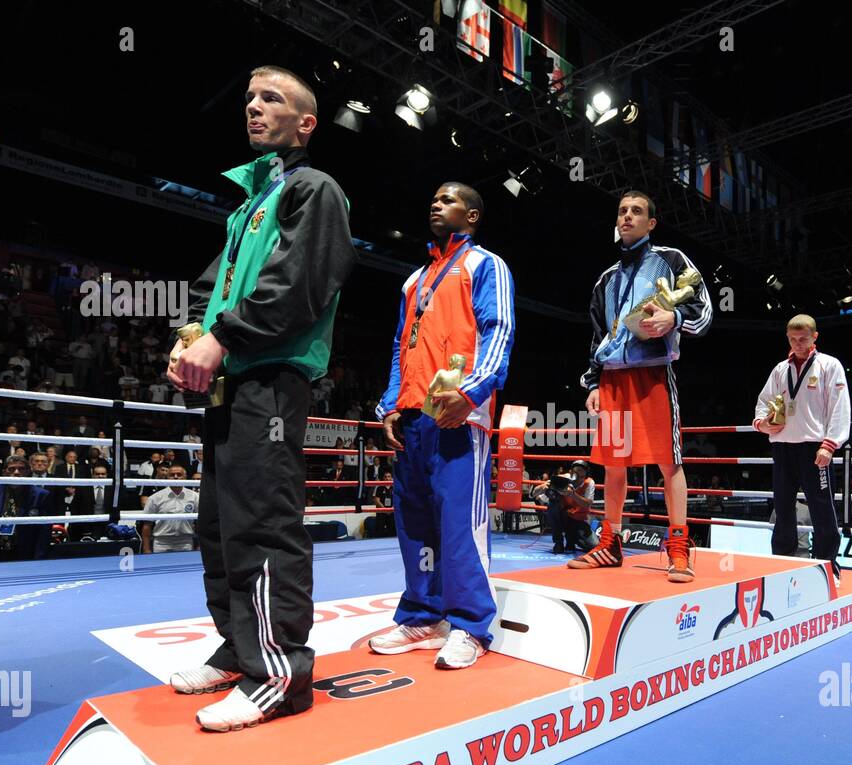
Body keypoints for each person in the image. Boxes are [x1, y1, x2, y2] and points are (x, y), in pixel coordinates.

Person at [164, 65, 358, 730]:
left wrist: (221, 338)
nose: (253, 106)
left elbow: (299, 286)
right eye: (248, 97)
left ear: (305, 122)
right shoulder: (247, 205)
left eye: (271, 98)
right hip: (229, 380)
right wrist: (188, 337)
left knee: (264, 523)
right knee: (218, 526)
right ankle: (238, 648)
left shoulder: (315, 190)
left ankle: (278, 671)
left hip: (271, 378)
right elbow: (209, 287)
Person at [370, 181, 515, 670]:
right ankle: (423, 615)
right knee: (415, 524)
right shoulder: (414, 280)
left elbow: (499, 331)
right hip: (414, 417)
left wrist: (472, 392)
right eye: (433, 197)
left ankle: (471, 625)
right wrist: (390, 403)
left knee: (459, 524)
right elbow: (400, 346)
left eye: (449, 199)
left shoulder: (485, 264)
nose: (436, 203)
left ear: (472, 216)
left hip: (458, 416)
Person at [570, 190, 712, 581]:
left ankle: (679, 544)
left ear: (651, 223)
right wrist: (593, 383)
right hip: (613, 379)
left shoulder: (671, 260)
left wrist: (674, 318)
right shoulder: (606, 280)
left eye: (637, 211)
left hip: (653, 375)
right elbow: (597, 336)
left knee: (669, 461)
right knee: (613, 465)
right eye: (622, 211)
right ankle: (611, 542)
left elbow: (703, 309)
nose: (627, 216)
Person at [752, 314, 849, 575]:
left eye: (803, 339)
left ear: (814, 336)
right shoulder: (780, 370)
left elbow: (840, 407)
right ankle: (783, 560)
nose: (797, 343)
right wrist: (762, 424)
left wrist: (829, 445)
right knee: (782, 506)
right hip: (783, 446)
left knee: (821, 507)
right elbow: (763, 402)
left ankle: (827, 563)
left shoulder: (829, 365)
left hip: (814, 446)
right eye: (793, 339)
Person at [0, 455, 52, 563]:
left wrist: (39, 558)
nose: (16, 472)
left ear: (27, 472)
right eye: (11, 469)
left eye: (21, 469)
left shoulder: (41, 495)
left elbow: (44, 532)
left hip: (24, 554)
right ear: (4, 472)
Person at [141, 465, 200, 553]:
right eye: (172, 475)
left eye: (179, 474)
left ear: (185, 477)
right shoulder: (155, 498)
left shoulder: (195, 497)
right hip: (161, 543)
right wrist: (146, 549)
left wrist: (200, 545)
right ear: (167, 477)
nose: (175, 477)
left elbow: (200, 523)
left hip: (185, 542)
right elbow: (147, 525)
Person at [546, 460, 597, 553]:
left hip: (578, 520)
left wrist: (572, 494)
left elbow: (588, 503)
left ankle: (572, 539)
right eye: (576, 471)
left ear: (586, 473)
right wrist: (542, 487)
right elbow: (543, 491)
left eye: (581, 471)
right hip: (564, 516)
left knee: (594, 546)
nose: (578, 474)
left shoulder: (589, 483)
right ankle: (558, 542)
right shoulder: (563, 478)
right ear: (571, 472)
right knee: (552, 505)